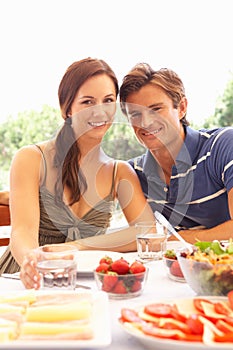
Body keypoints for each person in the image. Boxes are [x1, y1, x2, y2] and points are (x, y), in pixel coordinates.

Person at [0, 58, 155, 289]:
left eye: (108, 100)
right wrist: (32, 262)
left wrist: (78, 247)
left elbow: (147, 233)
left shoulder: (119, 172)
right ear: (67, 108)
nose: (100, 111)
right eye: (88, 102)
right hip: (23, 279)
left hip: (83, 284)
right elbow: (23, 233)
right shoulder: (31, 159)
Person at [119, 62, 233, 244]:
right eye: (135, 114)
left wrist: (185, 238)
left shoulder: (223, 146)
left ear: (181, 108)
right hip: (180, 269)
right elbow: (144, 239)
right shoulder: (134, 173)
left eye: (156, 109)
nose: (146, 122)